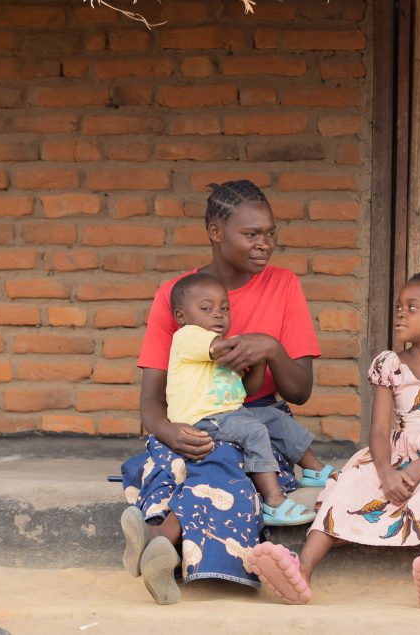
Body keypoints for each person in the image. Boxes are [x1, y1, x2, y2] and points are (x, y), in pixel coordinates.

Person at [118, 180, 334, 605]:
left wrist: (271, 349)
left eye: (270, 233)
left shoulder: (284, 285)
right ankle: (170, 548)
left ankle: (161, 536)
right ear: (216, 232)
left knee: (223, 458)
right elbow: (150, 398)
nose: (265, 244)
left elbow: (300, 391)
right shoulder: (177, 295)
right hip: (191, 418)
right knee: (211, 457)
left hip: (260, 418)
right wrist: (166, 430)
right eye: (251, 234)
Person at [249, 272, 420, 608]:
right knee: (351, 482)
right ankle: (302, 569)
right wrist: (386, 472)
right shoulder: (389, 364)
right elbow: (378, 431)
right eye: (399, 306)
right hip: (394, 452)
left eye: (412, 307)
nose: (400, 312)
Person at [161, 272, 319, 525]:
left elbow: (248, 390)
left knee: (274, 416)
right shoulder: (188, 337)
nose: (218, 313)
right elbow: (220, 348)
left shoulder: (224, 346)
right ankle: (274, 502)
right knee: (254, 431)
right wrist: (261, 344)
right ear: (181, 316)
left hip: (231, 413)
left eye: (224, 308)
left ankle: (315, 471)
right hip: (202, 420)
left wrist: (259, 362)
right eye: (206, 308)